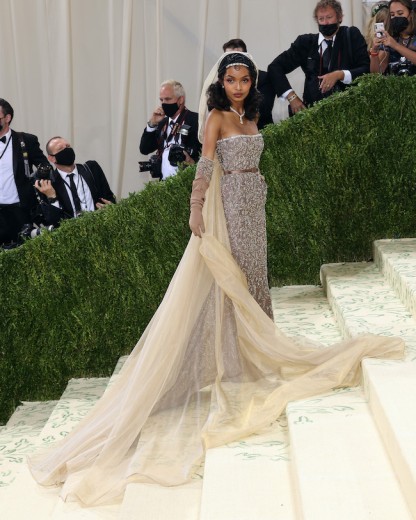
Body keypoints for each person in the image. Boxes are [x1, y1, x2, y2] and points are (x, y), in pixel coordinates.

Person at [28, 52, 404, 507]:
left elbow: (252, 163)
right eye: (232, 79)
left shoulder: (254, 114)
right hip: (227, 211)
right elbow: (206, 165)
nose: (239, 86)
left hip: (254, 205)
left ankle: (251, 352)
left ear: (251, 82)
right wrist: (195, 207)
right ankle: (236, 358)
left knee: (254, 280)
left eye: (245, 79)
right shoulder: (219, 119)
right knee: (231, 282)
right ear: (221, 83)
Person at [267, 0, 370, 115]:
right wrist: (291, 97)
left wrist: (339, 75)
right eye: (321, 19)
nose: (325, 23)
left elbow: (366, 69)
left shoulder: (351, 35)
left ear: (340, 17)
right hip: (312, 116)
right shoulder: (305, 43)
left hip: (348, 113)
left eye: (329, 17)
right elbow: (275, 67)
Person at [35, 136, 116, 226]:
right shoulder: (49, 184)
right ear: (51, 158)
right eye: (60, 148)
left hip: (99, 226)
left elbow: (109, 197)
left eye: (68, 146)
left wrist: (110, 207)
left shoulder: (91, 168)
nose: (66, 150)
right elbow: (54, 222)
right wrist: (52, 197)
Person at [0, 98, 48, 245]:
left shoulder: (26, 140)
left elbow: (45, 166)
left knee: (24, 253)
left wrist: (36, 181)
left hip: (20, 210)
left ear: (7, 118)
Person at [139, 80, 201, 180]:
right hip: (164, 186)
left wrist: (191, 161)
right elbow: (144, 149)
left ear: (180, 100)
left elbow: (207, 155)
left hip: (188, 184)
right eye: (161, 100)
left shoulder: (195, 120)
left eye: (167, 99)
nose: (164, 104)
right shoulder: (162, 123)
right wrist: (152, 124)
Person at [222, 38, 276, 129]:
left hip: (261, 132)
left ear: (246, 58)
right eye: (228, 58)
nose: (233, 62)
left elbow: (264, 108)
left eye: (237, 57)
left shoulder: (263, 78)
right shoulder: (221, 82)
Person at [370, 0, 416, 75]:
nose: (396, 17)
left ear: (410, 14)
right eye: (392, 14)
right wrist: (374, 52)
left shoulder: (393, 41)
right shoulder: (390, 37)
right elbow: (376, 73)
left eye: (400, 13)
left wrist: (396, 45)